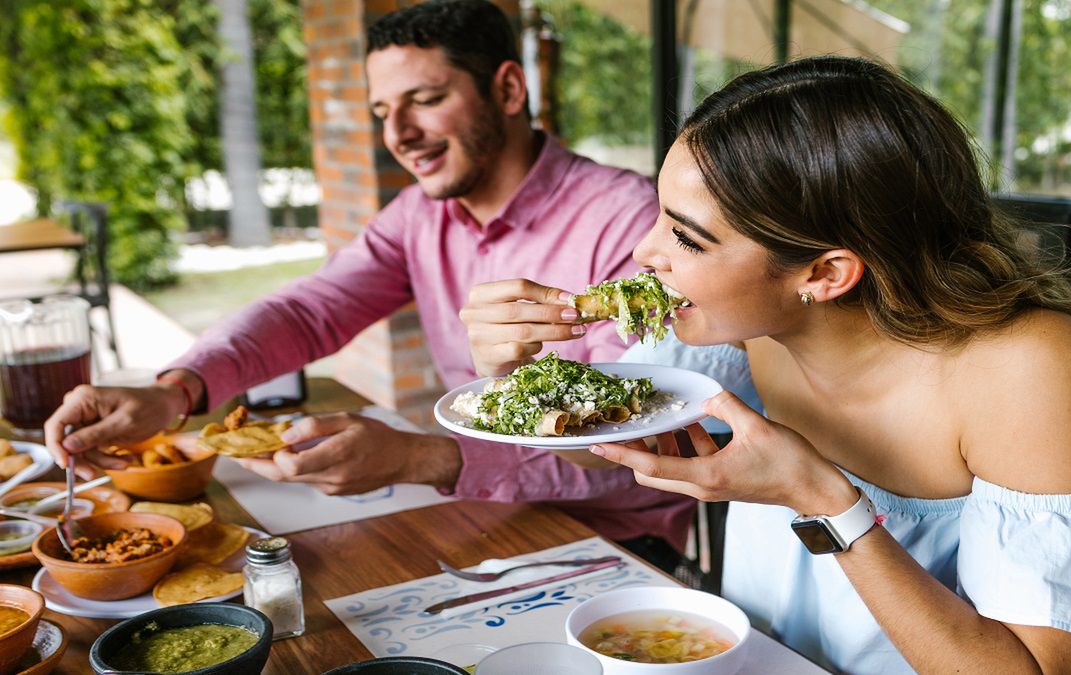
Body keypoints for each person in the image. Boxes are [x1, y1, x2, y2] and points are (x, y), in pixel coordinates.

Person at [462, 56, 1071, 672]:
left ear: (826, 272)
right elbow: (602, 448)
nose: (645, 254)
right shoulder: (744, 325)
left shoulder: (1033, 370)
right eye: (660, 214)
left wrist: (825, 500)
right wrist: (513, 377)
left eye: (687, 237)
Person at [42, 0, 695, 570]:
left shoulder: (627, 220)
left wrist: (425, 459)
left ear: (509, 89)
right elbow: (310, 310)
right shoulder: (420, 215)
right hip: (483, 518)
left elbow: (640, 450)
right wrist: (172, 392)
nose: (397, 135)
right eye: (383, 110)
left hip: (618, 543)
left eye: (426, 100)